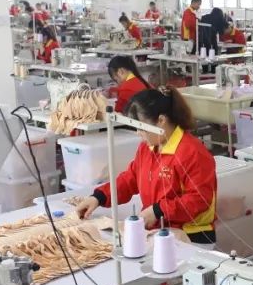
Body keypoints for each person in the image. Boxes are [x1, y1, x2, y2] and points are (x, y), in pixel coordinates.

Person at [76, 88, 217, 245]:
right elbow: (130, 179)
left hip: (191, 236)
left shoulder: (193, 152)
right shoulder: (147, 147)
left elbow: (199, 200)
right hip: (158, 230)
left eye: (141, 127)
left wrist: (158, 211)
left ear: (161, 121)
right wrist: (99, 197)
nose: (138, 133)